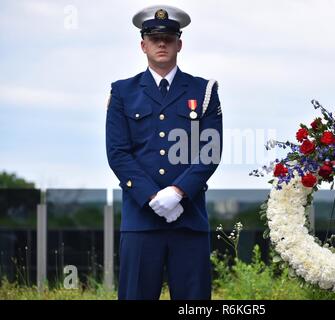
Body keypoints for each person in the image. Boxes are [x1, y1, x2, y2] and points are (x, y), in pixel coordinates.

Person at [105, 4, 223, 300]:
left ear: (179, 44)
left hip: (189, 218)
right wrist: (152, 196)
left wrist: (178, 192)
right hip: (141, 221)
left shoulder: (203, 91)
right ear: (142, 44)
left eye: (168, 38)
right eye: (154, 38)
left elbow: (210, 151)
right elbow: (118, 153)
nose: (161, 43)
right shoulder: (122, 92)